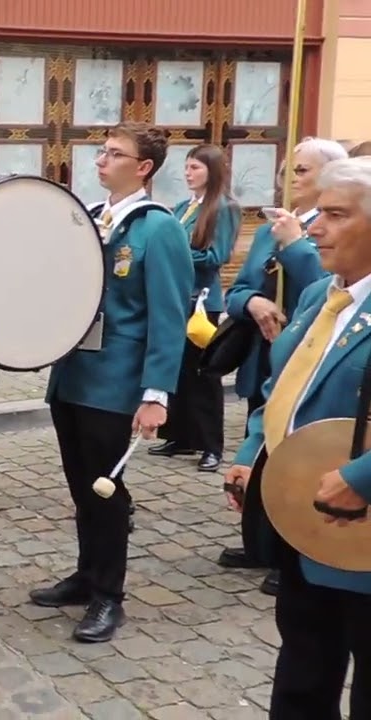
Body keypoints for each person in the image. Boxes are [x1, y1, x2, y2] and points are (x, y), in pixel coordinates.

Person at [223, 156, 371, 719]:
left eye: (335, 215)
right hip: (304, 523)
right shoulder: (319, 298)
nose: (313, 228)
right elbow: (284, 386)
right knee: (304, 668)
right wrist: (252, 453)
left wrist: (361, 479)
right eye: (318, 213)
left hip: (361, 530)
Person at [35, 121, 194, 643]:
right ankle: (86, 575)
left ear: (143, 167)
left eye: (113, 153)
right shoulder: (93, 218)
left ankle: (109, 596)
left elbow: (168, 317)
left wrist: (155, 395)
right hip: (74, 376)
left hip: (116, 382)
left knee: (107, 493)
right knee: (82, 487)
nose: (100, 160)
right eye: (101, 151)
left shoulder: (158, 228)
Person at [219, 137, 345, 595]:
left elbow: (326, 287)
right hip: (267, 357)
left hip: (318, 371)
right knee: (265, 445)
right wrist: (251, 301)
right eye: (288, 170)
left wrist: (296, 246)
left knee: (301, 458)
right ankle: (262, 539)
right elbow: (236, 289)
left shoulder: (313, 237)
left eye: (302, 171)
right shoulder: (275, 225)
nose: (289, 179)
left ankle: (290, 544)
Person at [150, 144, 241, 472]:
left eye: (195, 168)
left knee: (203, 376)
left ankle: (210, 445)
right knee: (177, 371)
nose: (188, 174)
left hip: (203, 303)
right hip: (175, 299)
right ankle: (179, 435)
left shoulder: (223, 208)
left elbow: (216, 257)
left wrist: (174, 255)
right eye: (187, 167)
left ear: (212, 172)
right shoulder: (181, 207)